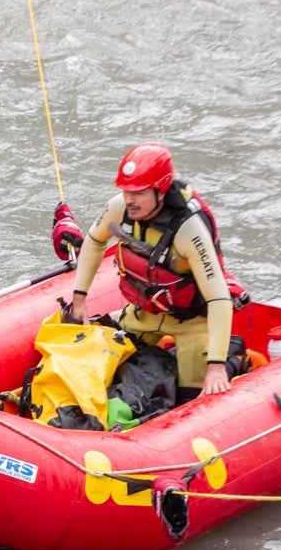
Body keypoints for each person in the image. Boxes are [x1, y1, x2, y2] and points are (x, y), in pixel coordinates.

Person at [55, 143, 245, 400]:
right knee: (99, 364)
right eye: (126, 191)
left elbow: (219, 298)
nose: (130, 200)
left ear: (161, 190)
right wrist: (80, 298)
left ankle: (233, 357)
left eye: (139, 193)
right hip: (146, 313)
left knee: (188, 399)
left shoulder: (189, 230)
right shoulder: (120, 208)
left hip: (194, 322)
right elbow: (94, 241)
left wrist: (216, 367)